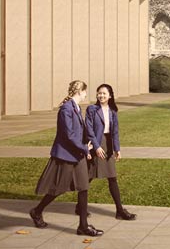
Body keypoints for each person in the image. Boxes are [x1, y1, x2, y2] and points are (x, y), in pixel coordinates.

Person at [28, 80, 103, 237]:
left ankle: (83, 226)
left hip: (77, 154)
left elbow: (77, 132)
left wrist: (85, 150)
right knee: (58, 188)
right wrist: (84, 148)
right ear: (79, 91)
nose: (85, 95)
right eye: (84, 92)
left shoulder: (75, 107)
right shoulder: (66, 109)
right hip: (66, 155)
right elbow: (68, 135)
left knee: (83, 187)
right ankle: (37, 211)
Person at [86, 83, 137, 220]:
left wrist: (117, 149)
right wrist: (96, 147)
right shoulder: (92, 109)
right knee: (88, 176)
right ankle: (80, 207)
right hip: (96, 144)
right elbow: (89, 130)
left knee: (112, 177)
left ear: (110, 95)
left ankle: (119, 210)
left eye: (104, 93)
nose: (101, 95)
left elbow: (115, 132)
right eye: (99, 93)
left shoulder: (113, 111)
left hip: (108, 145)